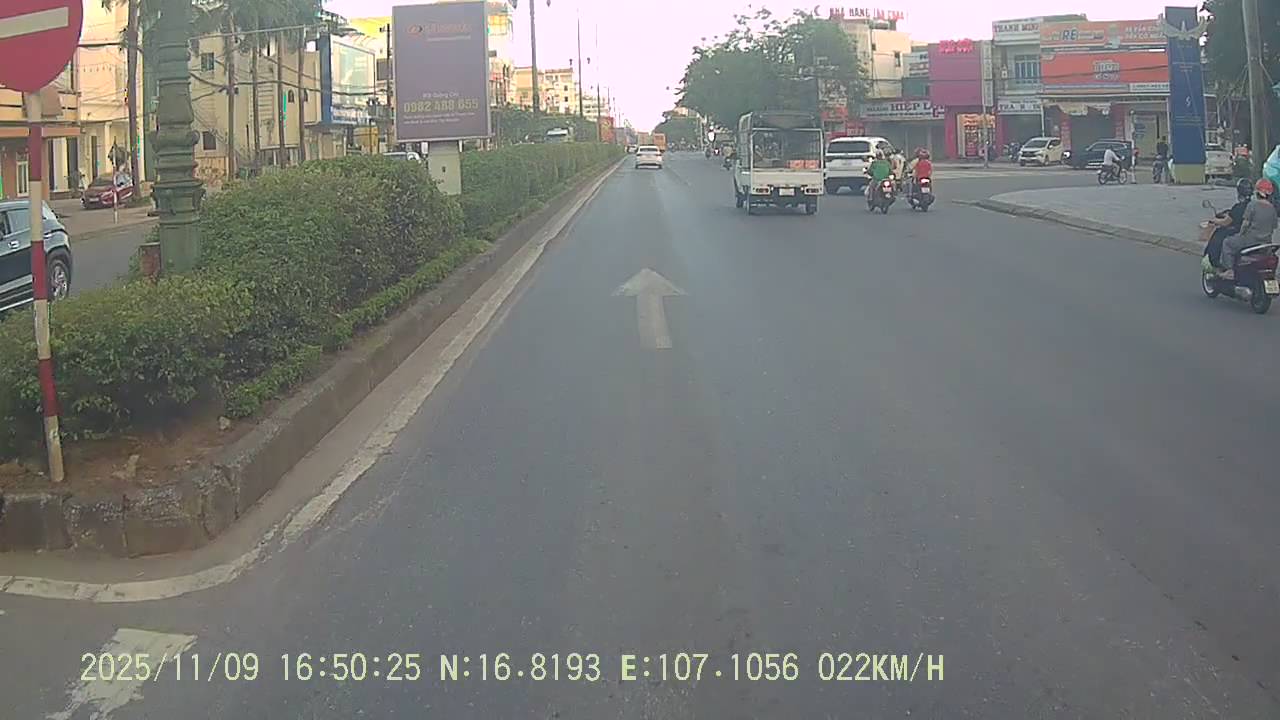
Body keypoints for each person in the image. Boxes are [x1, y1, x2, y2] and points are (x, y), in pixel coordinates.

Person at [1219, 179, 1278, 279]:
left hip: (1250, 241)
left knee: (1227, 243)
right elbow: (1274, 226)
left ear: (1257, 192)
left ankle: (1230, 271)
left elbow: (1245, 224)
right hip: (1266, 243)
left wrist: (1240, 234)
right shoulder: (1273, 209)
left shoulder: (1252, 205)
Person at [1206, 178, 1255, 268]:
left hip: (1237, 232)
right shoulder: (1253, 206)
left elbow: (1225, 222)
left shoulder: (1238, 207)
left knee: (1220, 236)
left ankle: (1223, 266)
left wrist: (1214, 220)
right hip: (1247, 233)